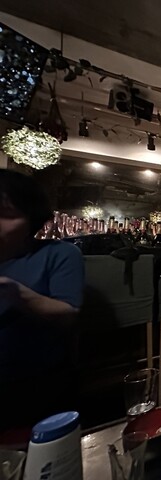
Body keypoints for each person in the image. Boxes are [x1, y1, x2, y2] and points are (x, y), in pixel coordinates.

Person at [0, 169, 84, 428]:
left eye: (6, 214)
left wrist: (14, 292)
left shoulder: (59, 254)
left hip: (33, 382)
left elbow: (69, 317)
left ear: (32, 219)